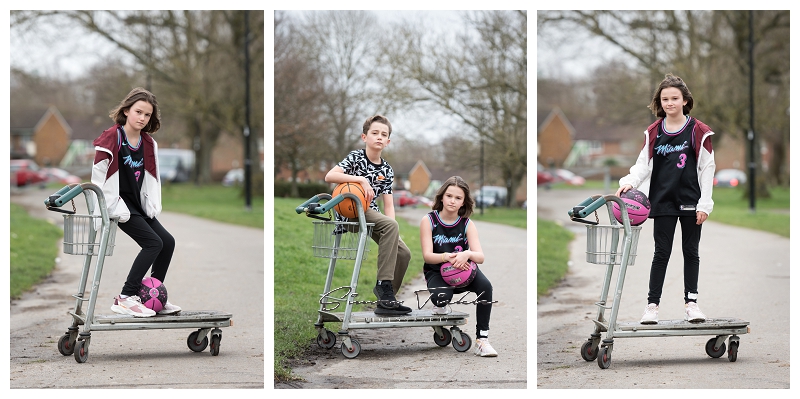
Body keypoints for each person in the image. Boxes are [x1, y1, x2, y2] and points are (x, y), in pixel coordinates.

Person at [615, 74, 715, 325]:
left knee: (691, 252)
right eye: (665, 99)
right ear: (659, 102)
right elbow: (642, 166)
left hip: (691, 202)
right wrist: (628, 182)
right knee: (661, 253)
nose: (670, 103)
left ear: (685, 100)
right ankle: (652, 306)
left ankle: (691, 304)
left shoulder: (698, 131)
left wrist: (705, 204)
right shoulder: (653, 131)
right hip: (662, 202)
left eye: (675, 98)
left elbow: (707, 168)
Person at [92, 87, 181, 318]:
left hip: (138, 205)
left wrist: (151, 205)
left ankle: (152, 295)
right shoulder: (113, 137)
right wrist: (103, 208)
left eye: (147, 115)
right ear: (126, 110)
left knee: (167, 242)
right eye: (138, 112)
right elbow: (99, 175)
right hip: (118, 204)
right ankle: (125, 296)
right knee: (153, 243)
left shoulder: (148, 143)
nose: (142, 118)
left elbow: (152, 178)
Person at [324, 115, 412, 316]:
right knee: (390, 226)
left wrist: (394, 231)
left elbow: (389, 205)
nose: (379, 137)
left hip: (370, 214)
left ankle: (386, 301)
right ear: (365, 137)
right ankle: (383, 285)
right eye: (375, 133)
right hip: (350, 210)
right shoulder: (356, 157)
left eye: (384, 134)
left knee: (404, 253)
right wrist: (361, 180)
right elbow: (330, 176)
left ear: (388, 141)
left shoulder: (387, 170)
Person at [419, 176, 497, 357]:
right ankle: (439, 308)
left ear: (464, 202)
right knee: (441, 298)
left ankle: (482, 340)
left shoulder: (467, 224)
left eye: (458, 198)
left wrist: (467, 254)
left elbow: (480, 256)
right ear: (441, 197)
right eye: (449, 196)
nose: (452, 201)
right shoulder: (429, 220)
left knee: (486, 287)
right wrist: (447, 256)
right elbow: (427, 256)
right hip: (437, 271)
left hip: (463, 272)